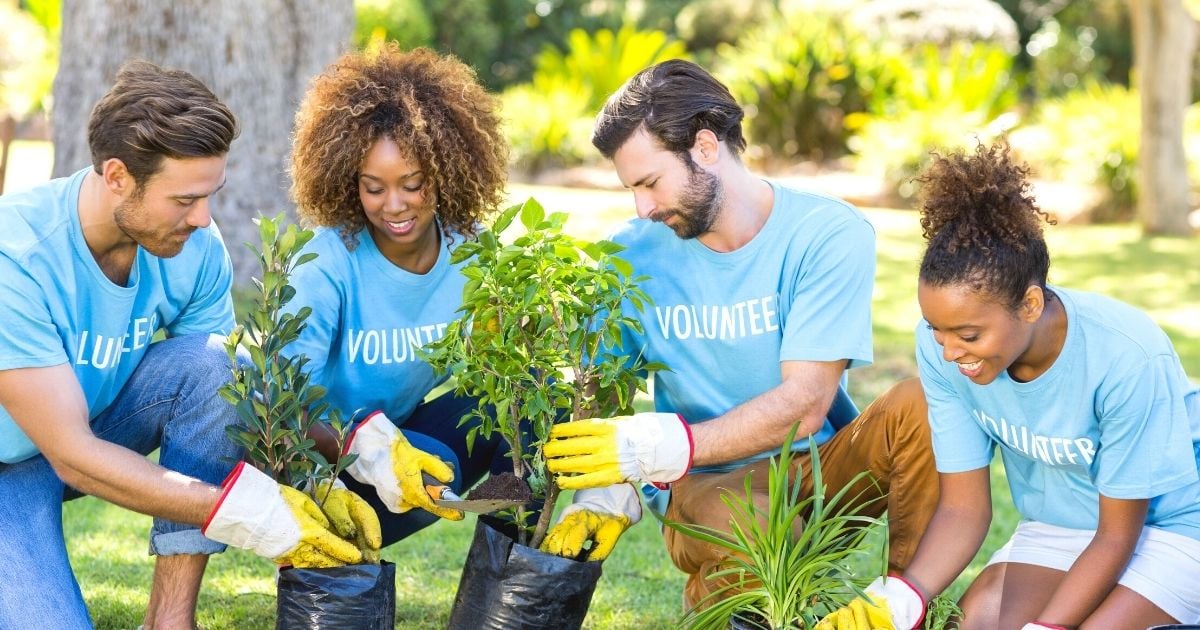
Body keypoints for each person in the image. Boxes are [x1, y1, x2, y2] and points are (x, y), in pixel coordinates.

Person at [539, 59, 941, 606]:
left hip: (818, 476)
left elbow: (806, 404)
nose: (643, 207)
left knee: (921, 404)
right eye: (632, 189)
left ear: (706, 147)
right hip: (705, 483)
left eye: (651, 182)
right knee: (758, 539)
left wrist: (665, 442)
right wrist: (602, 493)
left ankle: (904, 605)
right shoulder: (630, 254)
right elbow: (600, 386)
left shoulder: (826, 234)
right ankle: (739, 588)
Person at [0, 61, 379, 630]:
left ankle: (170, 621)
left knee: (217, 366)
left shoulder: (194, 246)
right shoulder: (17, 257)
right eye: (183, 200)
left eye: (209, 195)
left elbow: (225, 391)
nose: (203, 219)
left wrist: (345, 455)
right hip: (30, 457)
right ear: (118, 176)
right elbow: (73, 456)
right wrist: (243, 511)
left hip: (73, 433)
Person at [818, 143, 1200, 629]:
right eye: (937, 330)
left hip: (1170, 527)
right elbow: (962, 507)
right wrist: (901, 600)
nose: (950, 350)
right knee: (977, 621)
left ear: (1031, 305)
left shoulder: (1125, 356)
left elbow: (1116, 536)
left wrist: (1048, 627)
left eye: (969, 335)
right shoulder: (942, 350)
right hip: (1062, 524)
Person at [285, 44, 518, 543]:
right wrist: (366, 452)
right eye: (374, 187)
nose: (394, 205)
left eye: (413, 184)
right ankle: (328, 549)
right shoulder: (327, 263)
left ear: (447, 172)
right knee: (438, 467)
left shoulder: (471, 252)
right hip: (324, 460)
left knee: (528, 393)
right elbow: (279, 407)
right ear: (349, 182)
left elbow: (497, 378)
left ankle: (509, 574)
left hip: (402, 442)